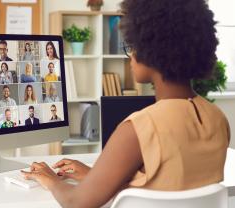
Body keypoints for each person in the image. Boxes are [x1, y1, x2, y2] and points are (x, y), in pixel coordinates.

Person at [20, 1, 230, 207]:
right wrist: (95, 176)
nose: (131, 57)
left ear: (152, 51)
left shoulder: (139, 127)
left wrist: (51, 179)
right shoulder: (217, 118)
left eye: (132, 46)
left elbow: (77, 202)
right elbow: (169, 187)